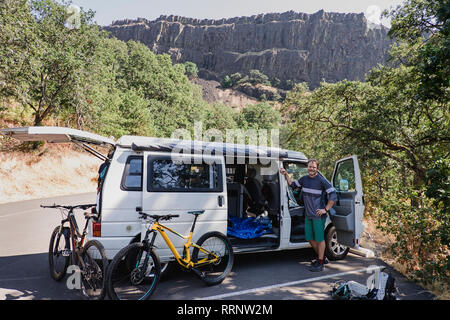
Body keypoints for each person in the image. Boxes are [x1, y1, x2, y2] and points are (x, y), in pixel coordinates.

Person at [280, 159, 337, 272]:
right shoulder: (304, 179)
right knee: (310, 238)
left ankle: (320, 263)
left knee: (320, 239)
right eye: (310, 167)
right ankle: (322, 257)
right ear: (307, 167)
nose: (311, 169)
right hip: (308, 215)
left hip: (318, 216)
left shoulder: (321, 180)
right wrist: (286, 174)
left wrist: (325, 209)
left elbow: (333, 195)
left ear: (317, 168)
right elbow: (292, 184)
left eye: (314, 167)